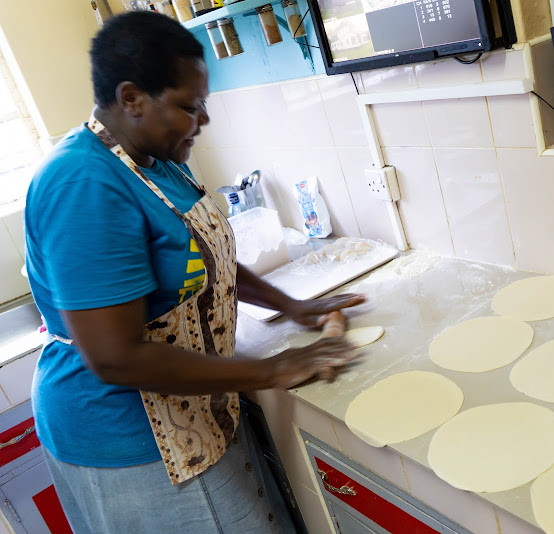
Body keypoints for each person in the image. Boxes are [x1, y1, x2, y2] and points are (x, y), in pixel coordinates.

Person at [24, 11, 363, 533]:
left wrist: (293, 306)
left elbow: (205, 259)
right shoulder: (84, 184)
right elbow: (115, 358)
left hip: (192, 406)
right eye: (189, 106)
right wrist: (274, 369)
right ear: (132, 98)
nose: (202, 121)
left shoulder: (157, 159)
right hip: (127, 438)